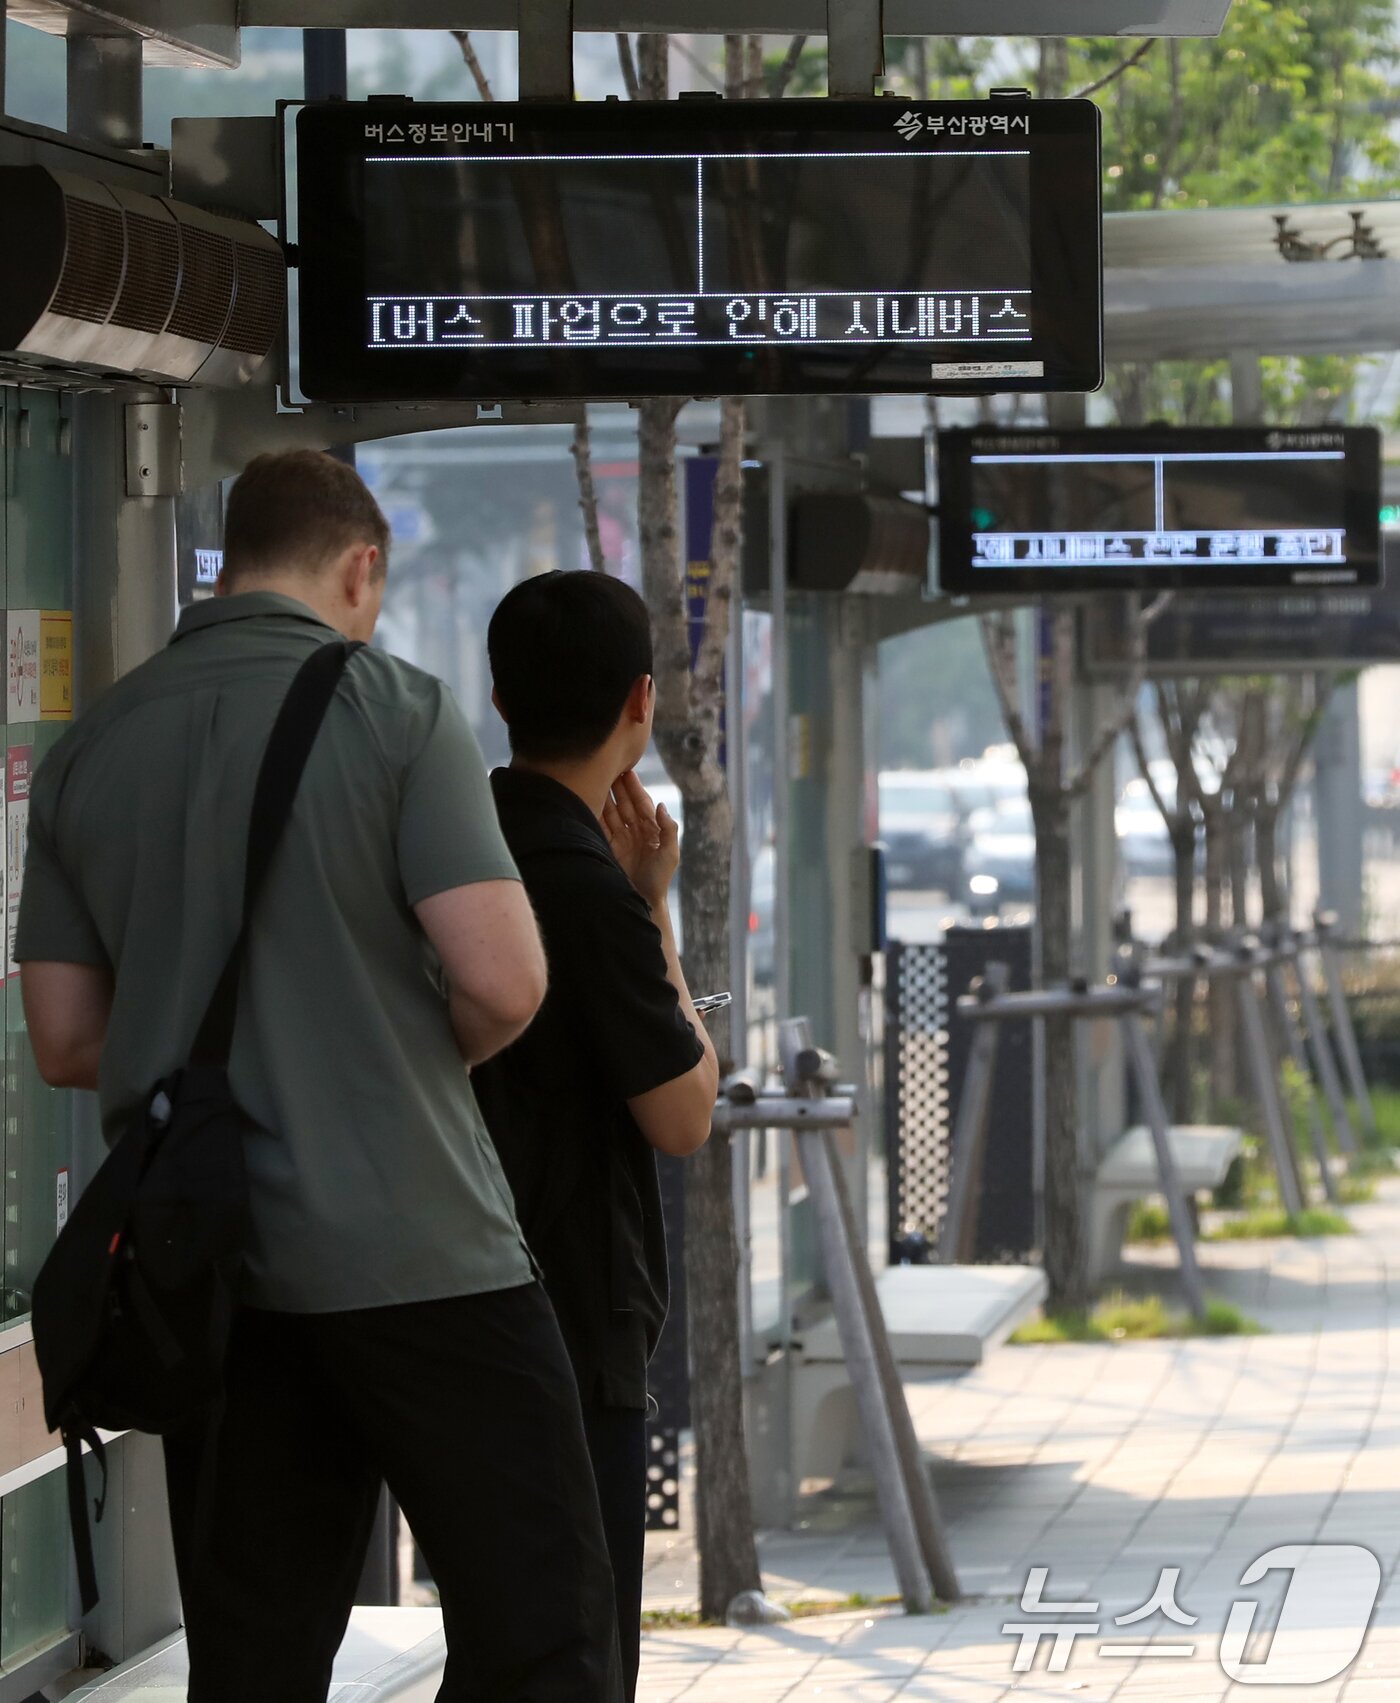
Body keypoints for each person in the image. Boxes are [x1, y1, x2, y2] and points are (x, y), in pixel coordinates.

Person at [15, 452, 621, 1703]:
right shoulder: (393, 708)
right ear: (360, 568)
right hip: (424, 1253)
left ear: (230, 561)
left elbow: (69, 1040)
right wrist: (378, 1056)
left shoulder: (90, 748)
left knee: (254, 1660)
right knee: (542, 1627)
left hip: (217, 1276)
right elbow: (504, 982)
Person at [472, 570, 720, 1702]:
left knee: (502, 1639)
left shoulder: (457, 851)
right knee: (575, 1651)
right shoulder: (590, 885)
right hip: (572, 1310)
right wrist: (654, 914)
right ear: (639, 701)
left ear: (498, 694)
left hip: (450, 1295)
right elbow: (683, 1110)